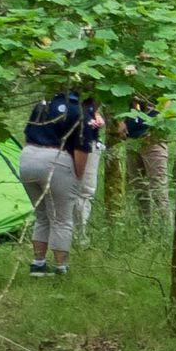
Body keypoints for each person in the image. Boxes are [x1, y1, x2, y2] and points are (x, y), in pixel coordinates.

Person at [19, 86, 93, 277]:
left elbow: (27, 135)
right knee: (61, 218)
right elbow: (81, 150)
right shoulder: (79, 112)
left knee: (42, 215)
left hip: (28, 159)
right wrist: (77, 176)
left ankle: (38, 264)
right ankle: (60, 267)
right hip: (55, 160)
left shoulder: (42, 104)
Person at [71, 102, 107, 245]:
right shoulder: (78, 102)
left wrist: (96, 114)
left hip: (84, 142)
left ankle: (76, 233)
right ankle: (79, 236)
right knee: (84, 191)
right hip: (84, 145)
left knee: (80, 191)